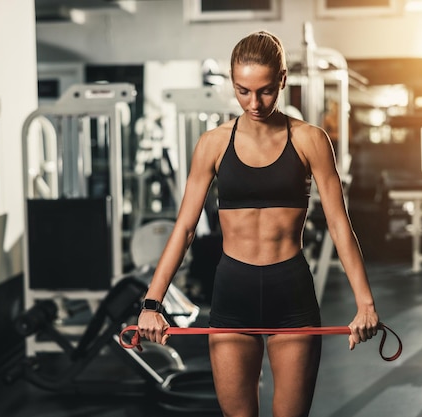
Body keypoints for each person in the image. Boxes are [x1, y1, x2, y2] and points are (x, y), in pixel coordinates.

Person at [137, 30, 379, 417]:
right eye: (243, 90)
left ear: (282, 79)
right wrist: (152, 303)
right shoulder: (213, 144)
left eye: (265, 90)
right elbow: (183, 228)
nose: (254, 102)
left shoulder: (310, 140)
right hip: (233, 292)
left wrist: (365, 304)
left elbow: (339, 225)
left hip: (291, 294)